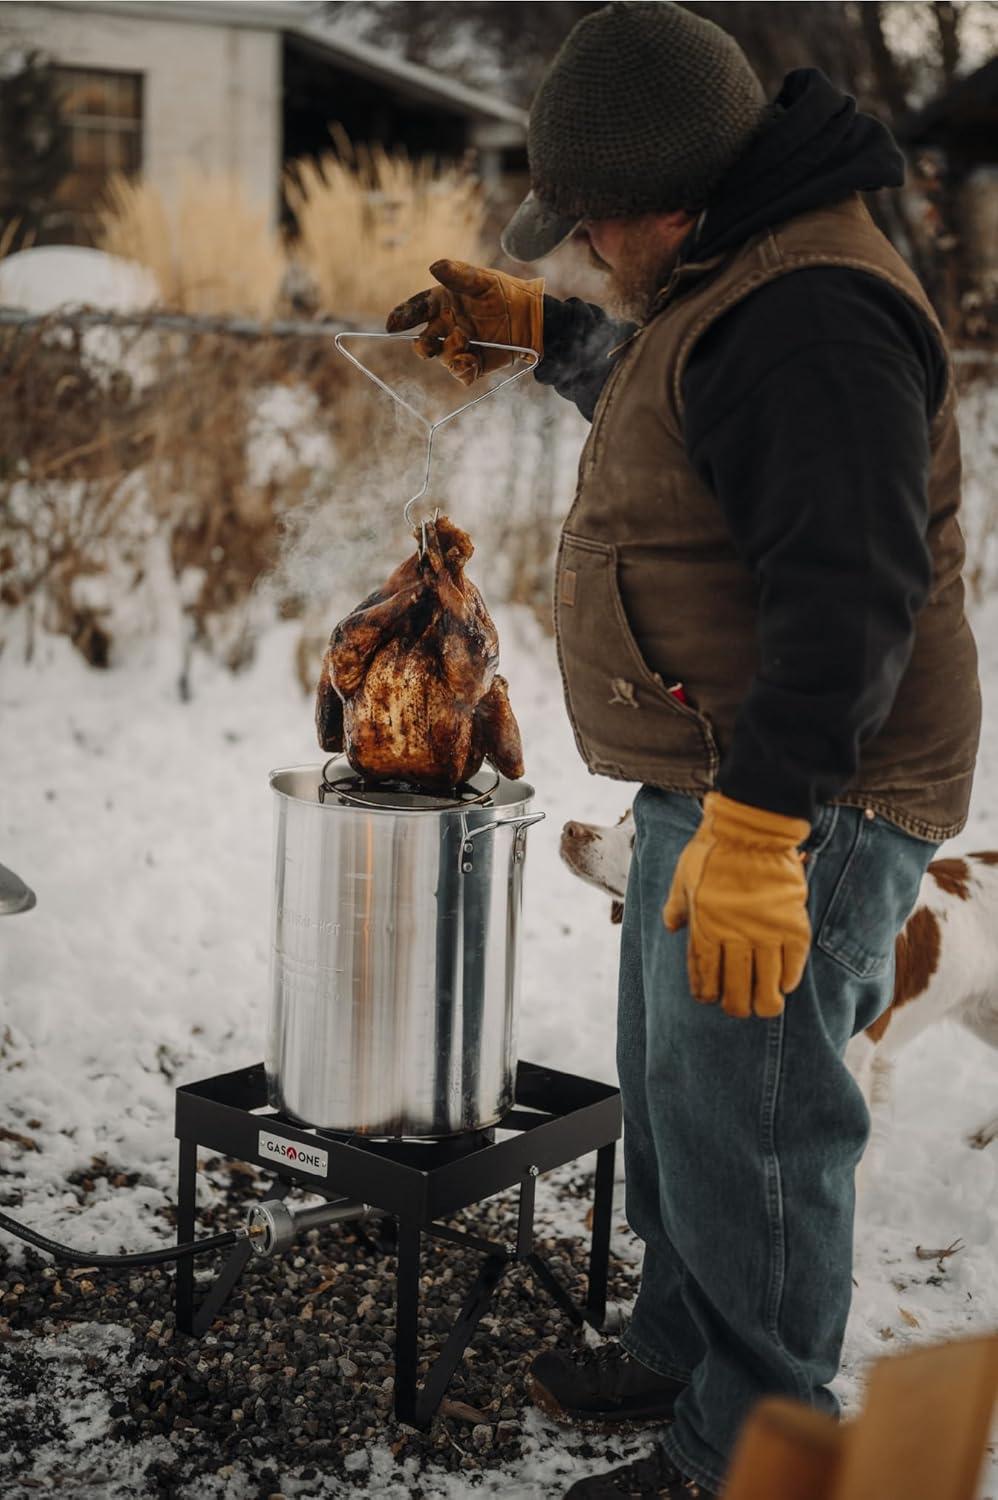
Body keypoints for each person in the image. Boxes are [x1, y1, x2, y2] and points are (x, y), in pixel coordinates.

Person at [386, 4, 981, 1495]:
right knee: (679, 1095)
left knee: (759, 1125)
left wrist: (768, 832)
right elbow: (683, 404)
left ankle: (752, 1448)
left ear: (670, 197)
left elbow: (849, 601)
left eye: (590, 230)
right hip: (714, 770)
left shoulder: (813, 314)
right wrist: (557, 339)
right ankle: (679, 1343)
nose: (583, 247)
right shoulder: (738, 272)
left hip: (805, 792)